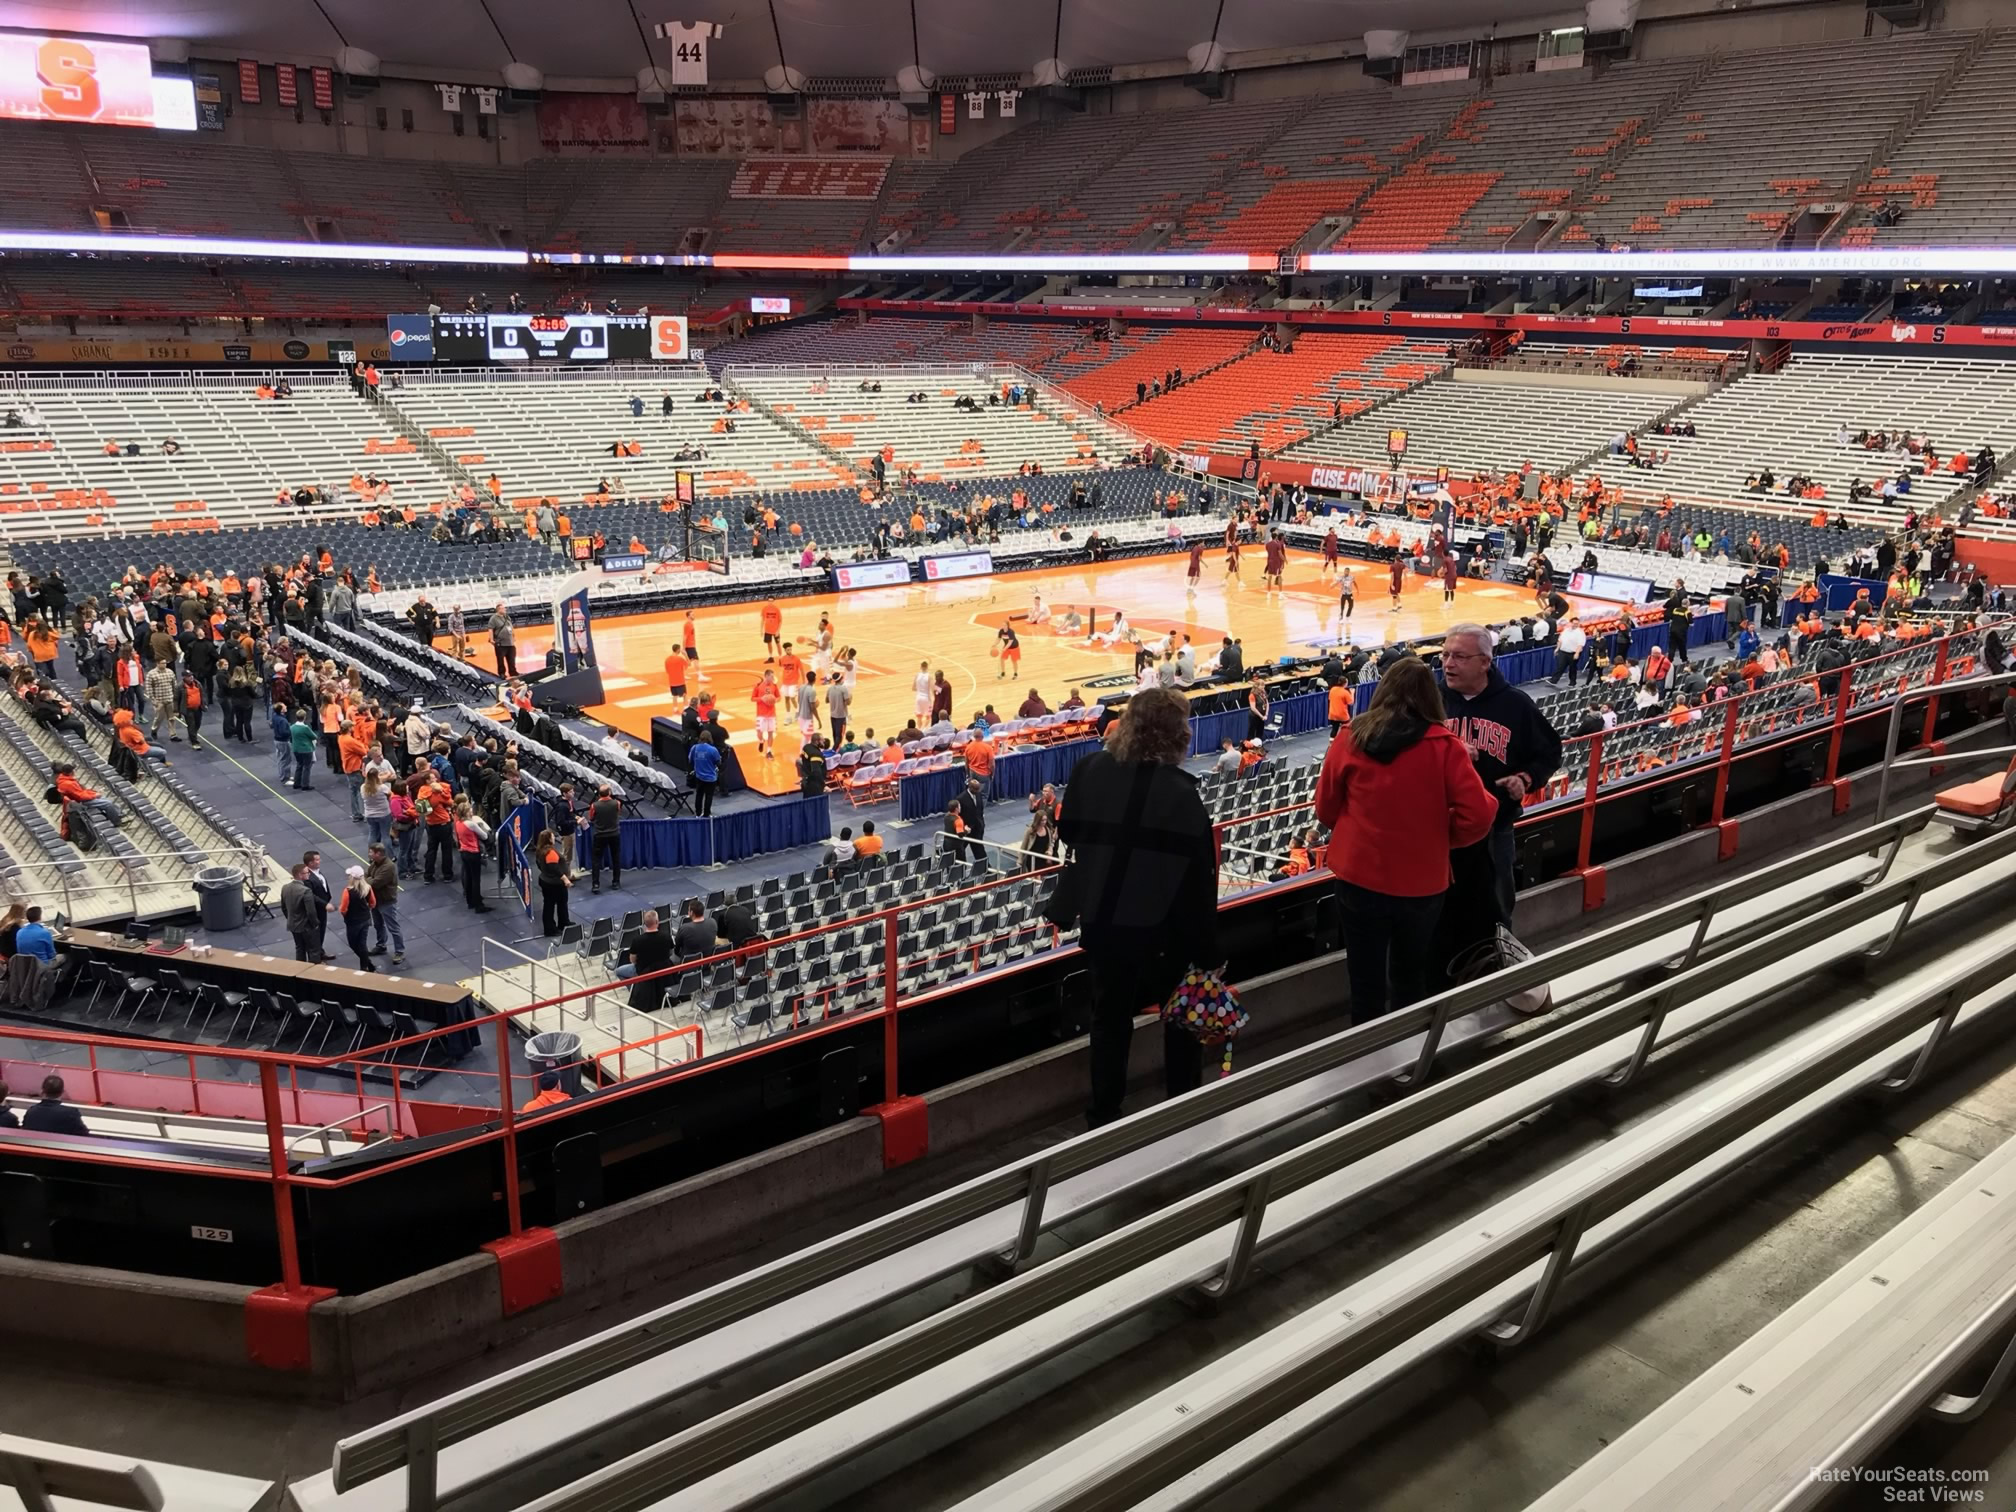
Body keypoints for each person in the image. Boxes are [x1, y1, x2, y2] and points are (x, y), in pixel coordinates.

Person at [1056, 688, 1221, 1128]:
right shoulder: (1181, 794)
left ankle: (1103, 1115)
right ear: (1175, 736)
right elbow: (1198, 880)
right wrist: (1208, 954)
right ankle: (1182, 1112)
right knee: (1184, 1024)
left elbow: (1069, 831)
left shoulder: (1090, 769)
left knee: (1109, 1021)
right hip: (1165, 932)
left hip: (1104, 920)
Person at [1315, 659, 1496, 1023]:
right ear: (1431, 697)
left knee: (1364, 981)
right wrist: (1444, 839)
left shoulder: (1351, 738)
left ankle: (1364, 1063)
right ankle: (1406, 1066)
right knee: (1410, 978)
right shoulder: (1447, 747)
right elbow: (1479, 814)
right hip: (1421, 883)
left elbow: (1325, 809)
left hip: (1358, 876)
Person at [1438, 622, 1564, 929]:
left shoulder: (1515, 704)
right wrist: (1449, 749)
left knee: (1496, 910)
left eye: (1459, 657)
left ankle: (1497, 967)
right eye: (1444, 655)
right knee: (1438, 914)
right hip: (1439, 829)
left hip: (1494, 829)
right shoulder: (1428, 700)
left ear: (1485, 662)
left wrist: (1525, 779)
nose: (1448, 664)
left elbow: (1549, 752)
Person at [364, 843, 404, 965]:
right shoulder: (375, 864)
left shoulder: (388, 867)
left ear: (378, 854)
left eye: (371, 852)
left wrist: (367, 880)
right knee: (378, 924)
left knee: (393, 927)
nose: (369, 854)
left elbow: (375, 883)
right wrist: (368, 879)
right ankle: (381, 945)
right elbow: (367, 875)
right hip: (375, 900)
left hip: (386, 901)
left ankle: (399, 951)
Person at [451, 798, 492, 913]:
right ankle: (479, 904)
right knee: (475, 879)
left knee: (468, 877)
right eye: (469, 810)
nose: (471, 811)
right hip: (473, 852)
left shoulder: (458, 823)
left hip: (464, 851)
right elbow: (484, 836)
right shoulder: (471, 824)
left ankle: (470, 901)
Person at [338, 866, 379, 972]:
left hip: (353, 922)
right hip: (365, 919)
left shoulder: (348, 891)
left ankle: (367, 963)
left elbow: (343, 909)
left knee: (353, 944)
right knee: (362, 943)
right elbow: (373, 903)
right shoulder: (368, 888)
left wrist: (346, 915)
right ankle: (365, 966)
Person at [280, 862, 322, 963]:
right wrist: (315, 924)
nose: (309, 874)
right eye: (307, 872)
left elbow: (284, 908)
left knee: (300, 949)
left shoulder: (285, 888)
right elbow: (311, 912)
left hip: (293, 926)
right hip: (307, 927)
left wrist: (291, 919)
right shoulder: (306, 891)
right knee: (313, 951)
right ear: (299, 875)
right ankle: (313, 973)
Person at [22, 1074, 89, 1136]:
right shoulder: (71, 1113)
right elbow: (84, 1134)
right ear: (62, 1092)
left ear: (42, 1091)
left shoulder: (31, 1112)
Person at [586, 783, 622, 892]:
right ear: (609, 792)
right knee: (616, 858)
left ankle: (595, 884)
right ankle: (616, 882)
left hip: (600, 835)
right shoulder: (617, 803)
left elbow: (591, 818)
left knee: (596, 860)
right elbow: (618, 813)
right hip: (614, 834)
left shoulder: (594, 806)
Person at [687, 730, 720, 816]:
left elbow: (690, 760)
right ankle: (706, 814)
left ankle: (698, 813)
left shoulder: (695, 748)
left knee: (699, 795)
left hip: (699, 776)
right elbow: (718, 762)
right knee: (709, 796)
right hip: (710, 778)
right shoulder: (713, 750)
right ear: (710, 738)